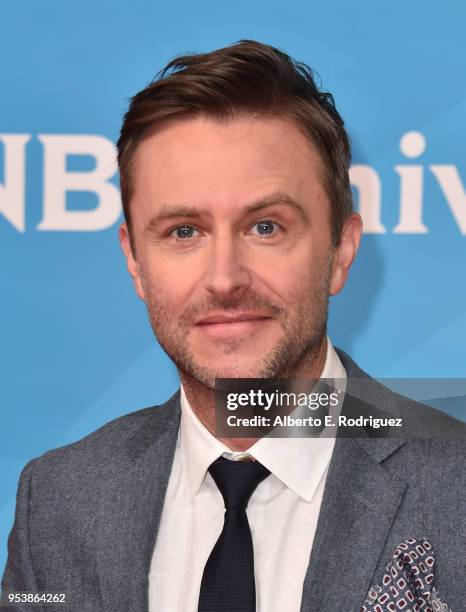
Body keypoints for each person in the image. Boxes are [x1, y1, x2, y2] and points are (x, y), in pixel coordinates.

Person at [1, 40, 464, 612]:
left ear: (341, 250)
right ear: (135, 262)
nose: (225, 279)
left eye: (265, 227)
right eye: (183, 232)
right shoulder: (58, 499)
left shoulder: (456, 483)